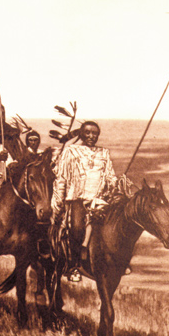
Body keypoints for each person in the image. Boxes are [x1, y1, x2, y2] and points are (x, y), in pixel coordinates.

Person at [50, 121, 117, 282]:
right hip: (77, 200)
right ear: (81, 134)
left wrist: (114, 183)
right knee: (77, 228)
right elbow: (62, 179)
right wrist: (57, 205)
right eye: (87, 133)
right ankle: (74, 265)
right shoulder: (71, 152)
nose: (91, 136)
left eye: (95, 133)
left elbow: (110, 175)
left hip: (99, 199)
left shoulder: (104, 153)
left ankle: (118, 262)